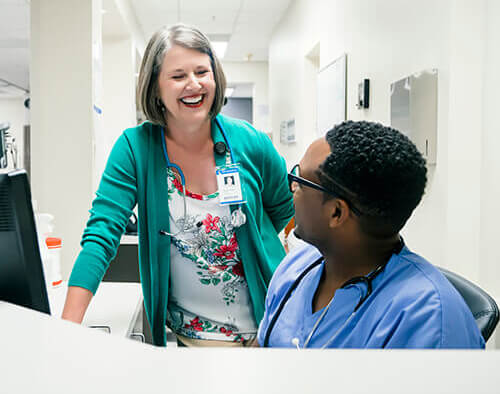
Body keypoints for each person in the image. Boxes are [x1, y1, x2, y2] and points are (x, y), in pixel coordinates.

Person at [62, 24, 294, 347]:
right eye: (178, 75)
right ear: (155, 87)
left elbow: (286, 211)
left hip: (271, 327)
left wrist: (257, 244)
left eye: (202, 71)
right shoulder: (135, 149)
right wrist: (65, 331)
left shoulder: (251, 141)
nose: (194, 84)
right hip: (194, 341)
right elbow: (101, 236)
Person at [258, 121, 484, 349]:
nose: (293, 188)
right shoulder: (297, 266)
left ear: (336, 212)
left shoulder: (430, 319)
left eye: (300, 181)